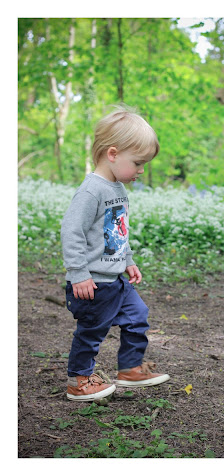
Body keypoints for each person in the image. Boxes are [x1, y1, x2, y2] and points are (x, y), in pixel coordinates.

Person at [61, 105, 169, 401]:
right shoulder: (91, 191)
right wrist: (78, 274)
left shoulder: (117, 188)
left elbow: (118, 230)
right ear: (112, 154)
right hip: (93, 283)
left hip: (116, 280)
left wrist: (128, 260)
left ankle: (130, 369)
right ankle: (79, 380)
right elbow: (71, 231)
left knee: (138, 317)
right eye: (137, 162)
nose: (141, 170)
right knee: (92, 332)